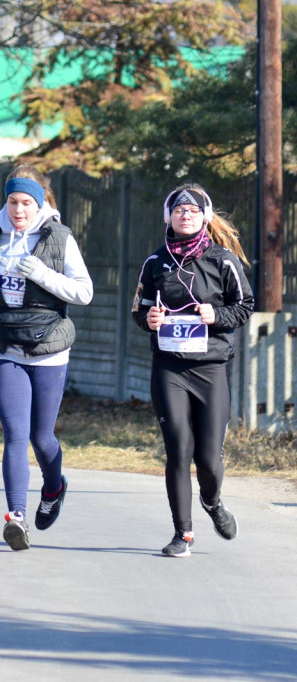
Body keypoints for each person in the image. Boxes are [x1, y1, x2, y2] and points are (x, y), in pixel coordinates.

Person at [0, 165, 93, 551]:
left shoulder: (59, 238)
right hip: (5, 345)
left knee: (41, 437)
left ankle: (55, 487)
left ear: (39, 202)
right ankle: (16, 517)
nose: (18, 210)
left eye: (26, 202)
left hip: (48, 347)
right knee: (14, 434)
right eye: (13, 201)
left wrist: (41, 273)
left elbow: (84, 293)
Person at [131, 184, 254, 558]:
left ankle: (213, 502)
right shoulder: (155, 263)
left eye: (193, 209)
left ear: (205, 216)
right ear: (168, 216)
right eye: (179, 209)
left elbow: (245, 306)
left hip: (211, 367)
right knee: (179, 451)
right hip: (169, 367)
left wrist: (216, 315)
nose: (186, 214)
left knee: (209, 461)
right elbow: (140, 308)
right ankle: (181, 534)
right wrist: (148, 319)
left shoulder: (223, 261)